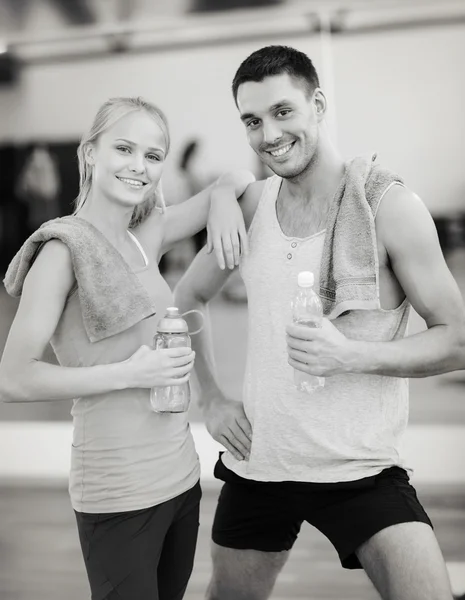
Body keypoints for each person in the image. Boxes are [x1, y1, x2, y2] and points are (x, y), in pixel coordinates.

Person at [174, 46, 465, 600]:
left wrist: (352, 355)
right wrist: (209, 398)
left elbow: (458, 340)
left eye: (283, 112)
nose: (268, 134)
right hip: (260, 464)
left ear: (318, 104)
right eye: (252, 121)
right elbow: (186, 297)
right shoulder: (251, 204)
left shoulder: (388, 208)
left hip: (362, 469)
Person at [0, 96, 254, 600]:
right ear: (90, 153)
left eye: (153, 155)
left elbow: (241, 184)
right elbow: (13, 378)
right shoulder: (61, 251)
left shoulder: (147, 236)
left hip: (180, 479)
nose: (139, 166)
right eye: (124, 148)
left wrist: (223, 194)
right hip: (116, 490)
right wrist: (131, 372)